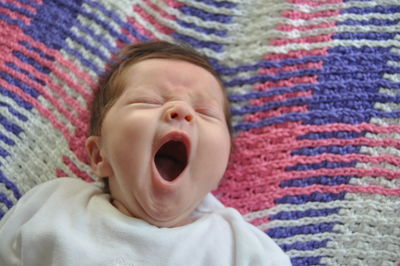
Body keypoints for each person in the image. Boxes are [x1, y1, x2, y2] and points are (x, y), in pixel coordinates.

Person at [0, 41, 291, 266]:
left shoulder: (243, 249)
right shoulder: (54, 207)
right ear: (99, 155)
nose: (181, 111)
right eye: (148, 101)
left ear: (221, 167)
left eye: (205, 112)